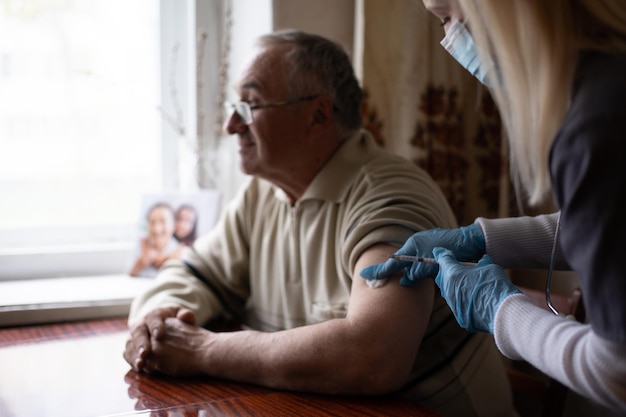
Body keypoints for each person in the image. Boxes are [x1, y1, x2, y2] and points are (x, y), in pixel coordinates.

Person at [124, 29, 517, 416]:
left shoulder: (391, 198)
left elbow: (374, 355)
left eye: (249, 106)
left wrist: (200, 350)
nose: (230, 126)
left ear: (318, 115)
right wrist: (157, 320)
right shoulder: (261, 195)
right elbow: (192, 273)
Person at [362, 0, 626, 412]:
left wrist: (501, 310)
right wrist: (487, 240)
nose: (448, 39)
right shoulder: (608, 78)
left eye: (447, 17)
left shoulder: (596, 124)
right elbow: (611, 226)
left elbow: (616, 372)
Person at [129, 202, 180, 278]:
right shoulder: (140, 246)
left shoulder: (179, 252)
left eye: (163, 221)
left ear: (174, 225)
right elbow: (129, 278)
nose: (156, 229)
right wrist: (140, 264)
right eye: (152, 222)